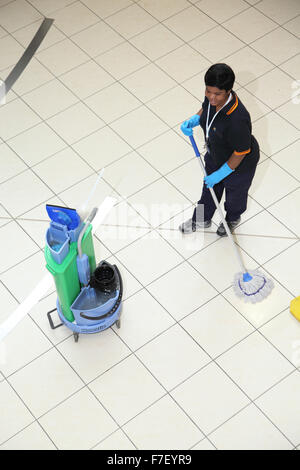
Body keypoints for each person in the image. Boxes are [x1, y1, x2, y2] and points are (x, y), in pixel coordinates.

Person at [179, 63, 260, 236]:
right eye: (208, 91)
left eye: (217, 94)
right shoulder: (211, 100)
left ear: (228, 91)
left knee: (234, 198)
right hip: (216, 154)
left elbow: (241, 152)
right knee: (208, 192)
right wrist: (195, 119)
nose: (212, 97)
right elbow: (206, 109)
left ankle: (232, 219)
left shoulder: (237, 119)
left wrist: (221, 173)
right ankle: (201, 219)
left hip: (239, 165)